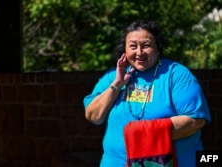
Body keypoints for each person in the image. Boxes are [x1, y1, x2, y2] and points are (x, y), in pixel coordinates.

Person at [83, 20, 211, 167]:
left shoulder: (177, 75)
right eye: (133, 46)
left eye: (146, 46)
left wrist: (142, 135)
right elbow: (93, 116)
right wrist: (117, 85)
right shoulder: (113, 76)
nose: (139, 52)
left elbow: (195, 121)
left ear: (158, 47)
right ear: (125, 50)